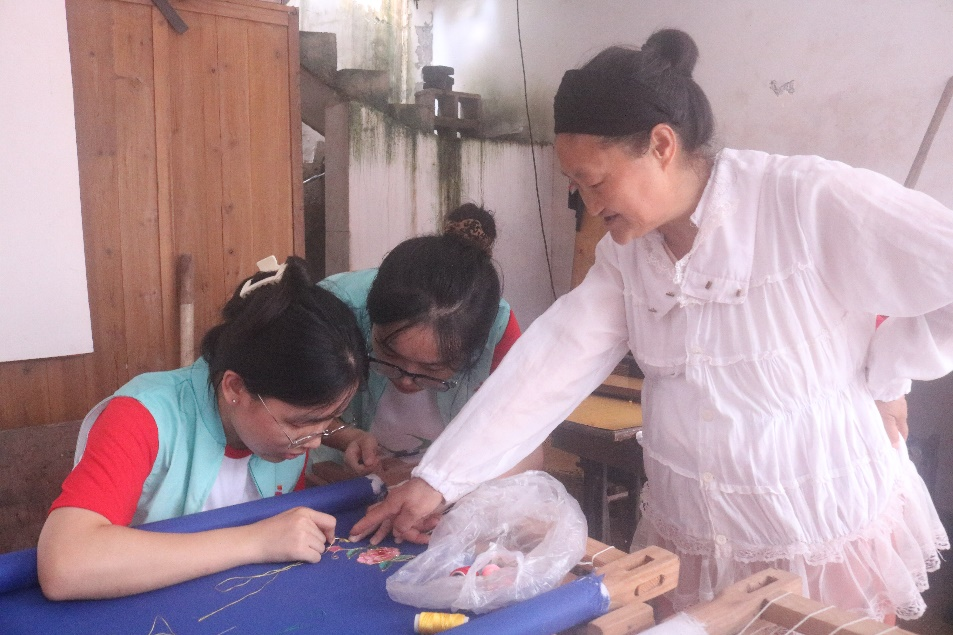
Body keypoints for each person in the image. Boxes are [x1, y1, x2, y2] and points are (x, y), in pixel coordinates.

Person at [351, 29, 952, 623]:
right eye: (576, 187)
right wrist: (438, 479)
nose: (590, 206)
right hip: (698, 530)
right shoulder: (629, 256)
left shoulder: (803, 200)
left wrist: (888, 373)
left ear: (661, 145)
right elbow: (553, 361)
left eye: (596, 182)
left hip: (819, 523)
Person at [37, 256, 368, 600]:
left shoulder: (284, 436)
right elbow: (65, 565)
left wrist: (349, 437)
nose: (314, 442)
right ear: (235, 388)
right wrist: (257, 541)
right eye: (300, 423)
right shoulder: (141, 417)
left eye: (329, 419)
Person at [315, 204, 539, 485]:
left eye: (431, 370)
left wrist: (437, 482)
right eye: (389, 355)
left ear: (472, 349)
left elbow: (529, 446)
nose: (406, 381)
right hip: (336, 478)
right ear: (371, 316)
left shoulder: (497, 330)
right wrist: (346, 436)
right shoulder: (335, 307)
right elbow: (287, 409)